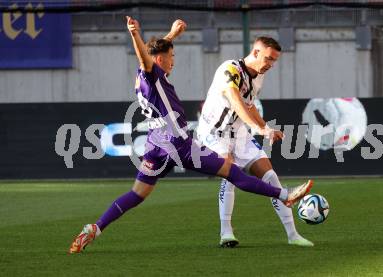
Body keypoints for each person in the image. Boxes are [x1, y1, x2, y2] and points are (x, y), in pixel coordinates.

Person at [68, 17, 313, 254]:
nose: (173, 60)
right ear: (159, 59)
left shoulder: (147, 76)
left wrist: (172, 35)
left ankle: (95, 228)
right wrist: (134, 34)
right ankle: (284, 194)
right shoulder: (151, 72)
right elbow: (146, 56)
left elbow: (153, 52)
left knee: (136, 194)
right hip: (180, 144)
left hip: (155, 145)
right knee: (232, 172)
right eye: (171, 57)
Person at [197, 37, 314, 247]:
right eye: (268, 58)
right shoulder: (230, 69)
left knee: (271, 177)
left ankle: (293, 236)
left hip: (239, 133)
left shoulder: (258, 77)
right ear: (256, 52)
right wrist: (258, 128)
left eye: (274, 61)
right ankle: (226, 233)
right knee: (230, 174)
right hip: (214, 133)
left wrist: (265, 127)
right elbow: (234, 100)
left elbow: (249, 106)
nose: (270, 64)